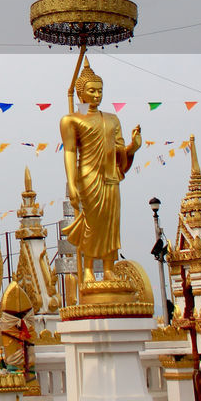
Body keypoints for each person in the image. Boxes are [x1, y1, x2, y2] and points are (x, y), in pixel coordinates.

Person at [59, 59, 141, 284]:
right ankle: (87, 268)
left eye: (99, 91)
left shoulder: (112, 119)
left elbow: (119, 151)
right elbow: (69, 152)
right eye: (91, 91)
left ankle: (108, 268)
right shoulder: (71, 120)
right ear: (80, 94)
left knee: (111, 223)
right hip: (88, 175)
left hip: (110, 176)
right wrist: (72, 184)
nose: (96, 95)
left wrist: (133, 147)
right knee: (92, 223)